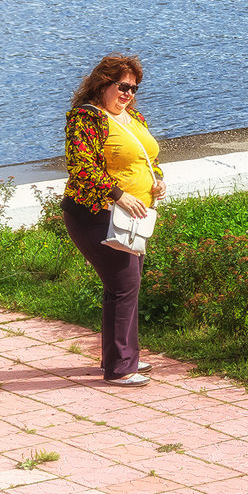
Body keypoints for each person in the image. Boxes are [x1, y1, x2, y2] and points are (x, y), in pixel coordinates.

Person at [62, 54, 166, 387]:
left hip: (131, 217)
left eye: (134, 88)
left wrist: (157, 181)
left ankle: (121, 356)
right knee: (123, 282)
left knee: (124, 283)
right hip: (94, 213)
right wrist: (119, 194)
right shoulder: (86, 118)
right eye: (122, 87)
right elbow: (81, 167)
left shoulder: (132, 117)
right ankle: (120, 367)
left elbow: (147, 159)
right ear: (102, 83)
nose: (128, 94)